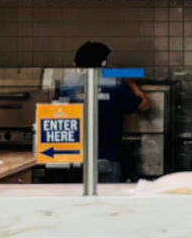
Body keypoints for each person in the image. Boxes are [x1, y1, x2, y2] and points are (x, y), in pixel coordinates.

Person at [62, 40, 145, 182]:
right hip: (109, 160)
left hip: (75, 161)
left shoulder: (69, 90)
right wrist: (129, 82)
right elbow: (144, 105)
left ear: (76, 66)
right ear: (104, 64)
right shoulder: (115, 87)